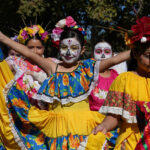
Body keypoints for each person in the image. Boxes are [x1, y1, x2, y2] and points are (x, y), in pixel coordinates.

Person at [0, 16, 130, 149]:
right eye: (64, 47)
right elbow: (28, 53)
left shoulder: (88, 67)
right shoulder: (53, 67)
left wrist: (138, 49)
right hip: (56, 129)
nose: (68, 52)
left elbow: (114, 60)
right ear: (58, 47)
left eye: (74, 48)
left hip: (84, 126)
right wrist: (3, 38)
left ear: (83, 50)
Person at [93, 16, 150, 150]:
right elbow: (114, 116)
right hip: (132, 143)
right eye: (148, 56)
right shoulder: (124, 80)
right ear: (135, 53)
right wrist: (104, 126)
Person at [6, 25, 49, 109]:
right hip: (20, 114)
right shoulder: (15, 62)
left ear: (43, 49)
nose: (34, 51)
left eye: (39, 48)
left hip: (45, 116)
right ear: (23, 48)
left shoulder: (51, 63)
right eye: (30, 48)